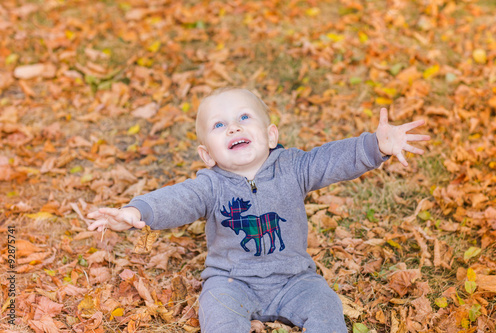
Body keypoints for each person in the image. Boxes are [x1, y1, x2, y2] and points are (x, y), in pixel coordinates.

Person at [88, 87, 430, 332]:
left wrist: (375, 145)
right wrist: (137, 212)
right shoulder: (210, 184)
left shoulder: (294, 167)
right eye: (219, 125)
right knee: (217, 314)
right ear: (207, 154)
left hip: (295, 279)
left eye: (243, 118)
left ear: (270, 135)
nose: (233, 127)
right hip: (231, 282)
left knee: (326, 307)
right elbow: (176, 198)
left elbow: (330, 160)